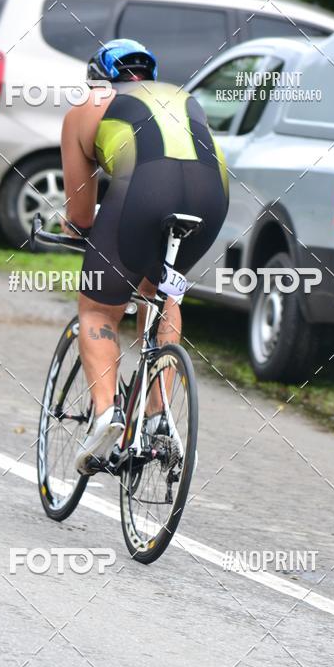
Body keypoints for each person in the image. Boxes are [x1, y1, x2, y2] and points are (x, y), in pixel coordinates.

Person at [60, 38, 228, 473]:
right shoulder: (181, 97)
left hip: (145, 193)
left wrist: (79, 230)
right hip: (212, 201)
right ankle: (158, 417)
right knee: (163, 294)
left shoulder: (88, 105)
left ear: (96, 78)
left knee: (98, 308)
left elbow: (80, 214)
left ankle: (105, 415)